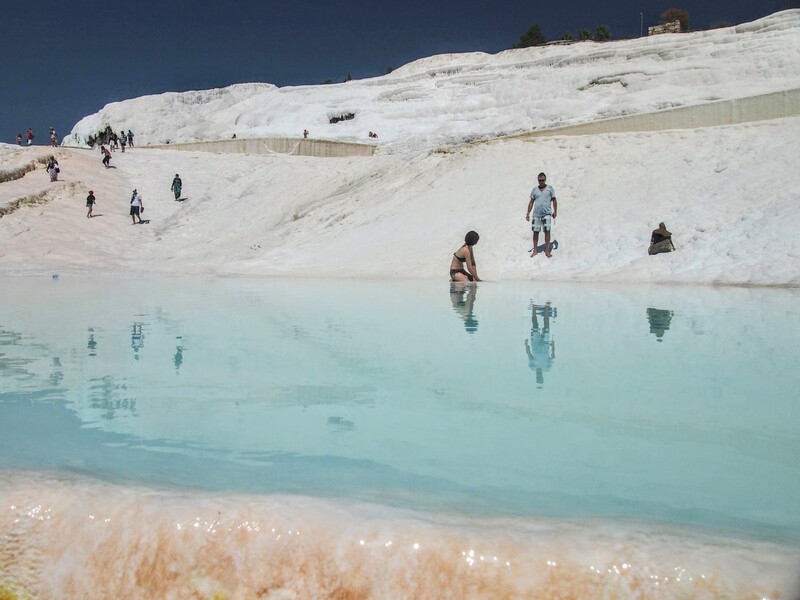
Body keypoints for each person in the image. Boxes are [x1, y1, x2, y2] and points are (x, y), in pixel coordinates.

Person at [526, 172, 557, 258]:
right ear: (538, 180)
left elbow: (554, 200)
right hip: (536, 214)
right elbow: (531, 202)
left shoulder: (550, 189)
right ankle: (535, 250)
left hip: (546, 214)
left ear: (545, 180)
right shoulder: (535, 190)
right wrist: (528, 213)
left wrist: (555, 211)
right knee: (535, 232)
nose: (541, 182)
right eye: (540, 180)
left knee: (547, 231)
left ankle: (547, 251)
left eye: (543, 180)